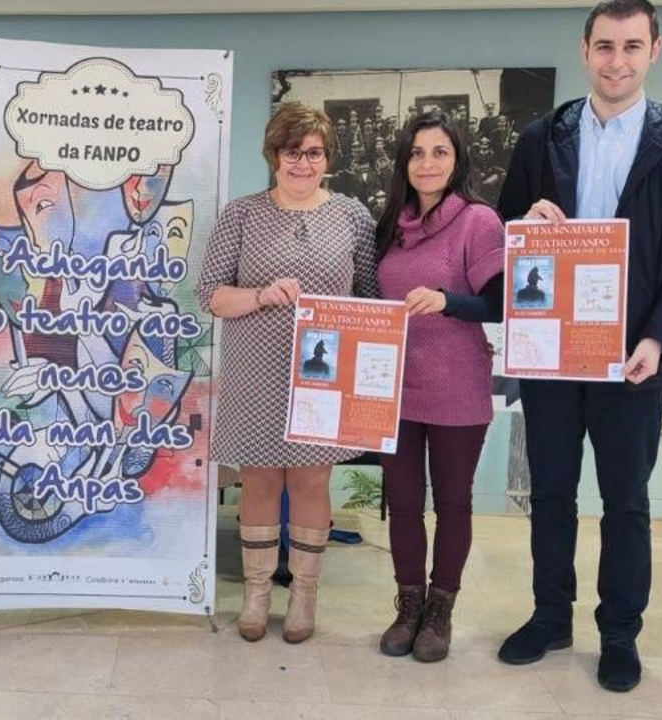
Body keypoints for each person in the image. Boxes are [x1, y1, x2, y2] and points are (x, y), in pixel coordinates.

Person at [495, 0, 662, 692]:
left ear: (654, 49)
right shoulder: (543, 136)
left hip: (633, 359)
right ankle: (550, 617)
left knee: (626, 502)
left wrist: (658, 337)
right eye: (603, 46)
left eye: (630, 45)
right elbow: (501, 233)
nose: (616, 61)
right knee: (553, 493)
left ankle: (619, 633)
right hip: (554, 354)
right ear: (585, 50)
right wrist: (522, 223)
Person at [196, 102, 378, 644]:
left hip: (323, 375)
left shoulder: (352, 216)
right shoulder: (242, 214)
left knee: (311, 478)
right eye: (291, 152)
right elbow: (210, 295)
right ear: (274, 156)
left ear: (328, 158)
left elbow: (369, 298)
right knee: (259, 478)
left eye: (313, 153)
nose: (302, 163)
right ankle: (256, 594)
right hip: (255, 368)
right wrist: (258, 294)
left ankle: (303, 595)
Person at [371, 110, 504, 663]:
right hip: (394, 389)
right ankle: (408, 607)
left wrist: (447, 300)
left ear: (457, 160)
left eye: (440, 152)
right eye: (418, 152)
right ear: (405, 162)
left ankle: (440, 610)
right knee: (402, 505)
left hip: (457, 387)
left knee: (452, 504)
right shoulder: (388, 226)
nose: (428, 163)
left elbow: (499, 304)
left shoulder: (479, 221)